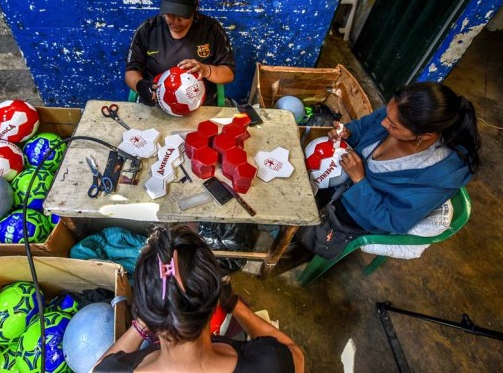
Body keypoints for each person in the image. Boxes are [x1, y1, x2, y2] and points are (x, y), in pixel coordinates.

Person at [290, 82, 481, 263]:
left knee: (302, 234)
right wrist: (348, 133)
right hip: (338, 183)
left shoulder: (437, 178)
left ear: (425, 136)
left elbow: (392, 220)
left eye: (393, 125)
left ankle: (298, 253)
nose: (383, 124)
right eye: (386, 115)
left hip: (357, 214)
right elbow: (363, 126)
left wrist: (360, 180)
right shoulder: (397, 114)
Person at [94, 225, 305, 372]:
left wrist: (143, 323)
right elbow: (295, 354)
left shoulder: (113, 371)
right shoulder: (270, 364)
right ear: (215, 303)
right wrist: (235, 305)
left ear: (143, 308)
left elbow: (100, 368)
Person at [125, 0, 236, 107]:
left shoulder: (211, 30)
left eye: (182, 15)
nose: (175, 21)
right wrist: (140, 85)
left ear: (196, 6)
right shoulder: (147, 30)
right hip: (156, 106)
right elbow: (131, 70)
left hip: (200, 107)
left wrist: (206, 70)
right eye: (169, 14)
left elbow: (228, 73)